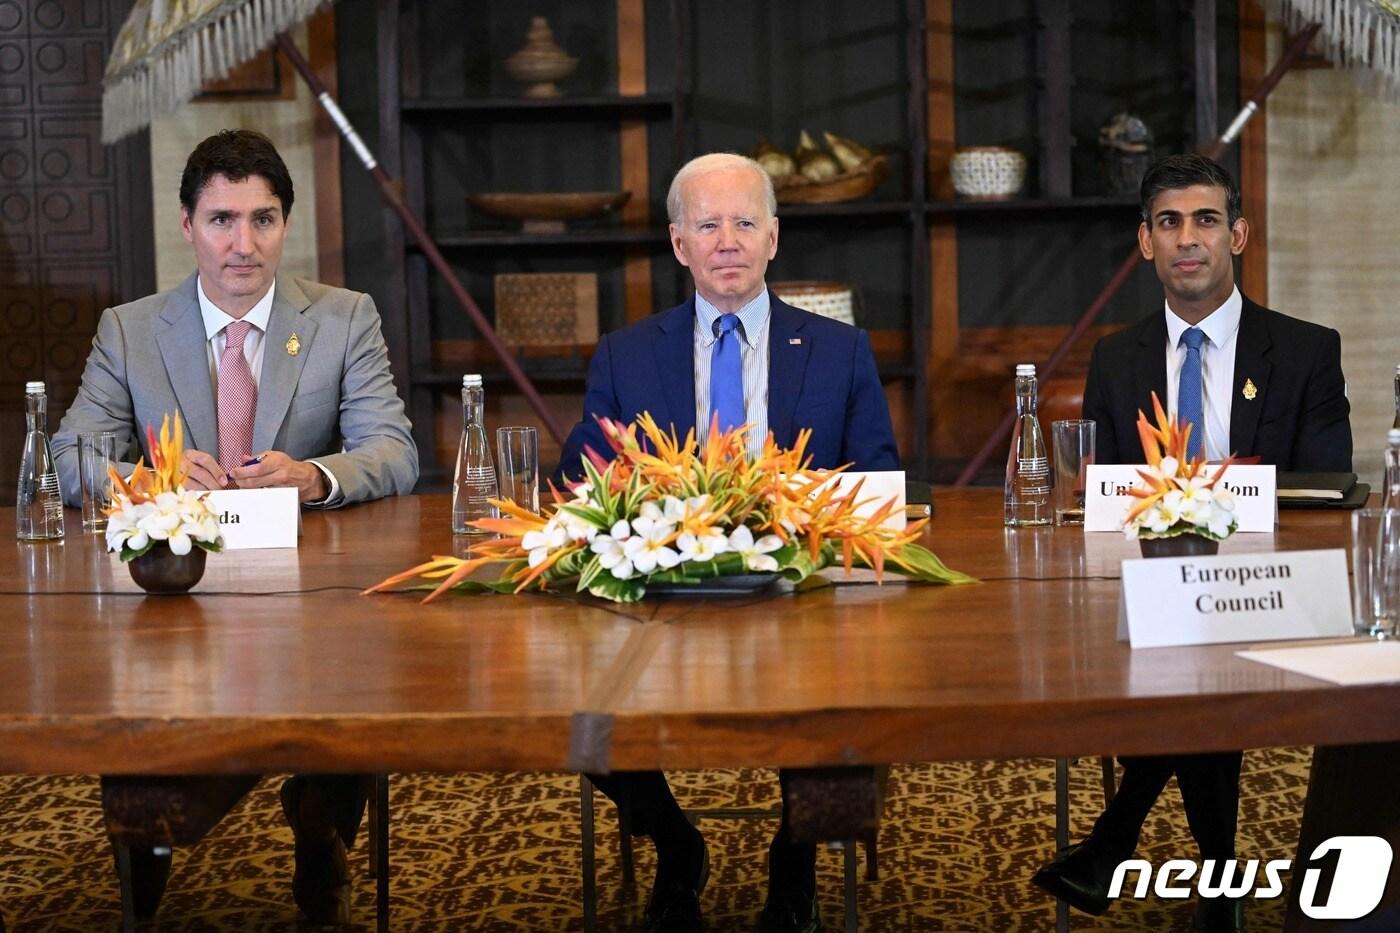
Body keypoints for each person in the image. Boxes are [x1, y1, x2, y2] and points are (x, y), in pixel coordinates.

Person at [52, 129, 418, 924]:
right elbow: (69, 453)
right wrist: (144, 477)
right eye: (222, 219)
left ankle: (323, 826)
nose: (242, 244)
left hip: (309, 588)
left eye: (263, 219)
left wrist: (312, 474)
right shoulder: (132, 328)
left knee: (359, 662)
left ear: (286, 223)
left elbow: (393, 449)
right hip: (170, 591)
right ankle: (145, 854)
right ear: (187, 224)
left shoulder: (344, 317)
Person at [558, 152, 898, 933]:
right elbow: (581, 478)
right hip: (663, 593)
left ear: (774, 237)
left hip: (798, 595)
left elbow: (879, 483)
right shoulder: (627, 352)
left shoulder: (840, 350)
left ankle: (794, 855)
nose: (728, 240)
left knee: (853, 685)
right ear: (679, 244)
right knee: (574, 690)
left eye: (745, 222)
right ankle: (676, 842)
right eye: (708, 224)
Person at [1032, 153, 1351, 933]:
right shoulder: (1117, 356)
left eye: (1206, 220)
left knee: (1202, 646)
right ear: (1145, 242)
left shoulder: (1306, 350)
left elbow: (1325, 491)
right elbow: (1102, 498)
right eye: (1169, 223)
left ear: (1237, 235)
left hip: (1269, 585)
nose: (1188, 239)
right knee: (1187, 647)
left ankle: (1120, 841)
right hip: (1144, 592)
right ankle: (1215, 887)